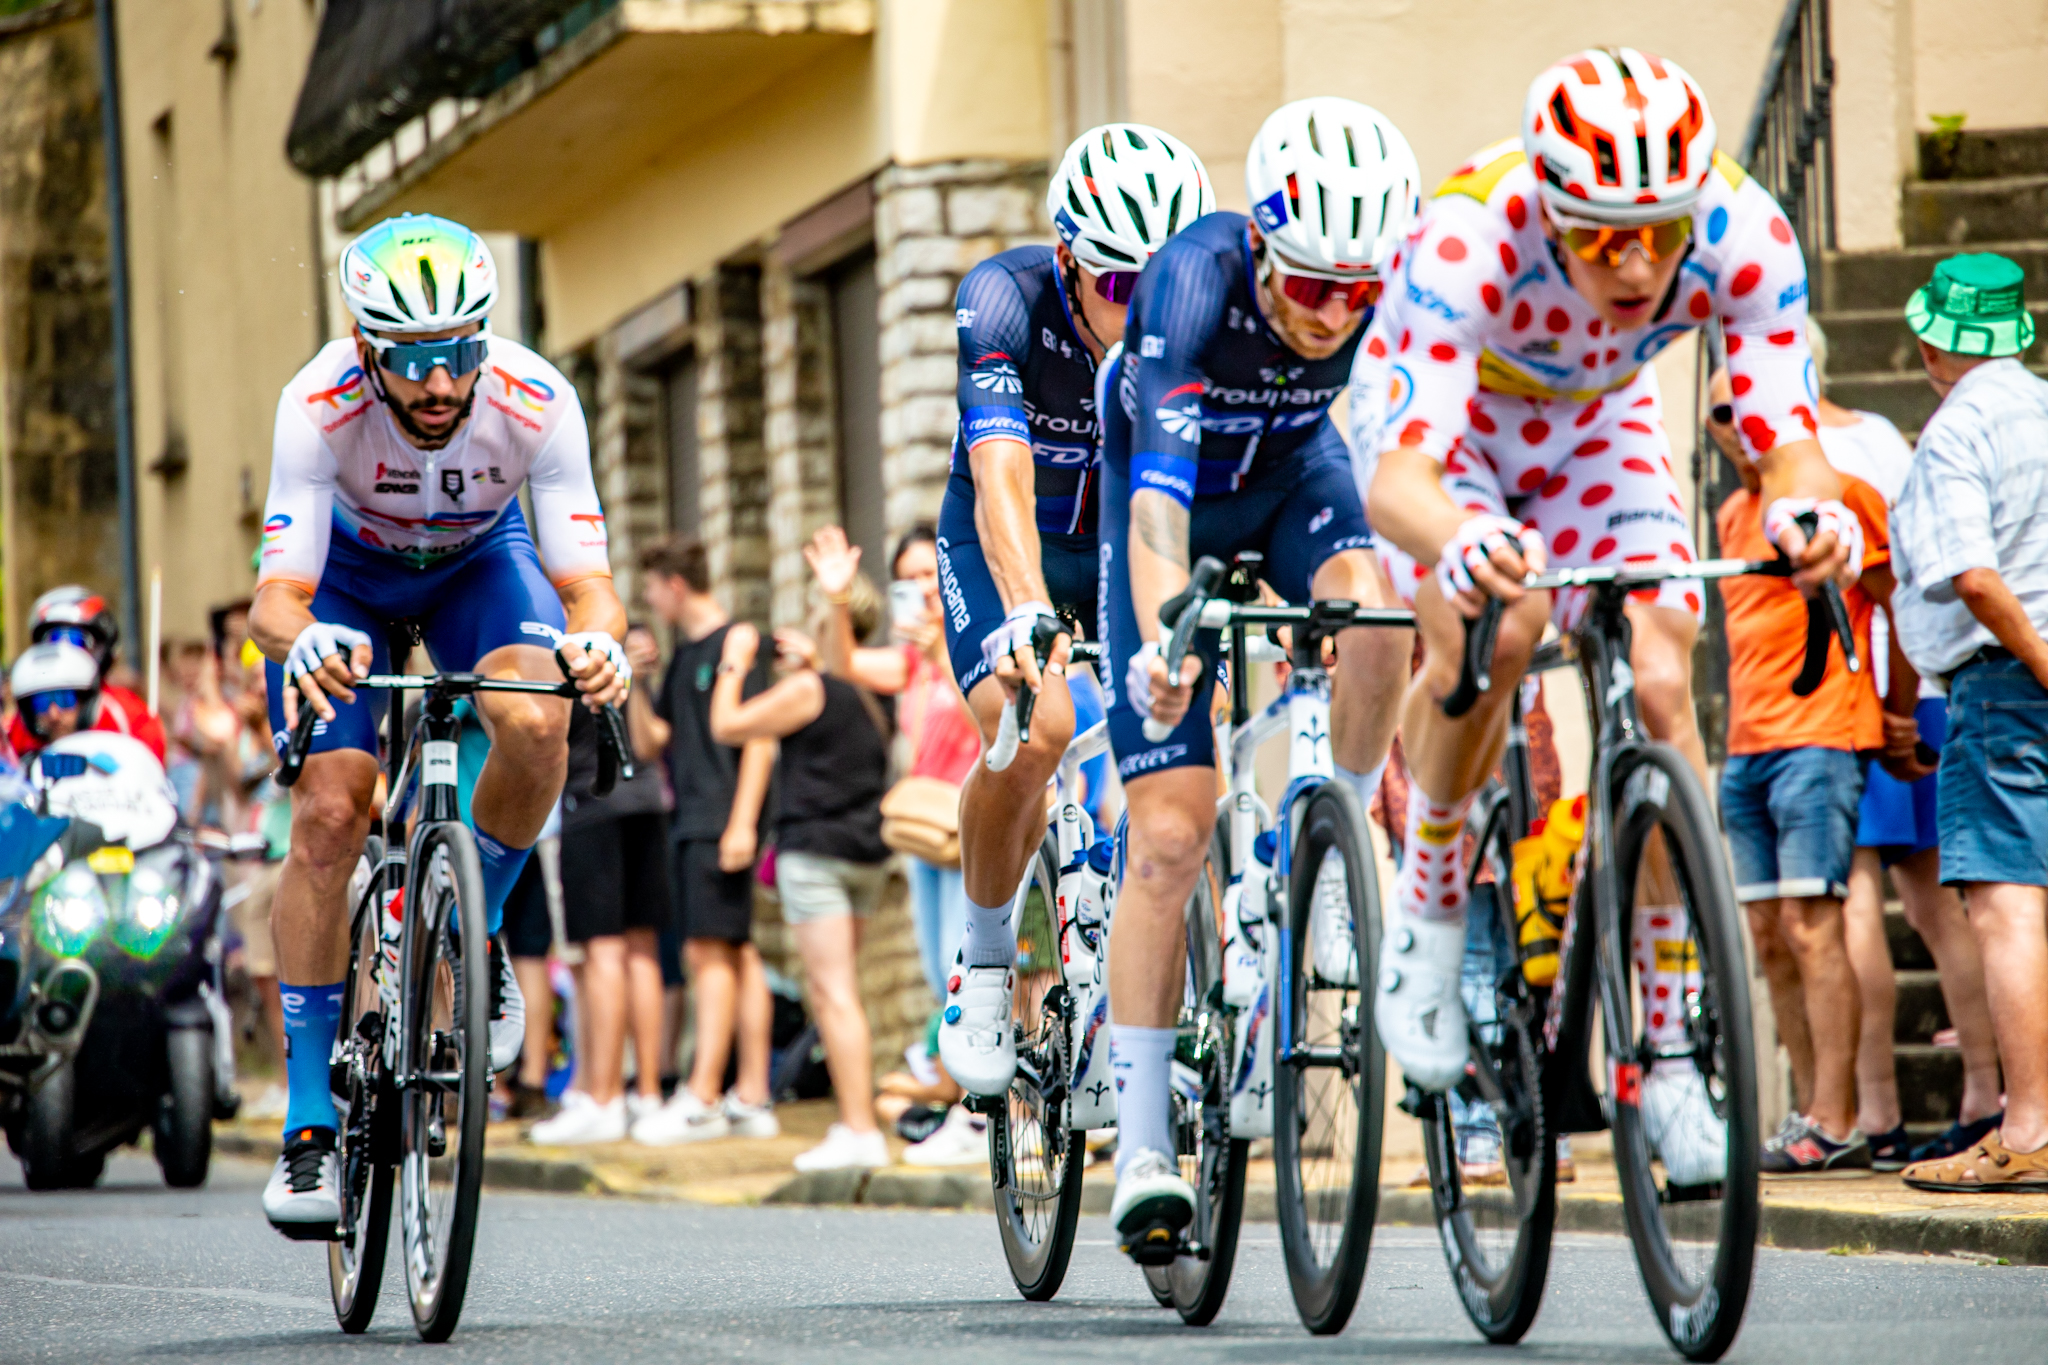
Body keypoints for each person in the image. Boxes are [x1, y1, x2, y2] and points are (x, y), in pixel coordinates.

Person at [1362, 51, 1856, 1192]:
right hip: (1453, 439)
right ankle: (1430, 915)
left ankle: (1674, 1048)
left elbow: (1785, 430)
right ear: (1545, 206)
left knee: (1666, 668)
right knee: (1497, 624)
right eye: (1596, 238)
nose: (1634, 264)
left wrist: (1806, 511)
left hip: (1597, 428)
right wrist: (1463, 546)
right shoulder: (1464, 239)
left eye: (1660, 233)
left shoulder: (1741, 228)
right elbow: (1399, 483)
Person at [250, 214, 628, 1236]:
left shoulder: (535, 397)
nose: (438, 386)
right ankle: (308, 1124)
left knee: (539, 718)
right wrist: (307, 642)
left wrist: (596, 644)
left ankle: (477, 922)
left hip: (477, 565)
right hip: (348, 585)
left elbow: (588, 586)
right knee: (332, 809)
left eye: (457, 353)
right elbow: (273, 603)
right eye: (411, 361)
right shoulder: (316, 406)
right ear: (367, 349)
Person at [1101, 96, 1419, 1256]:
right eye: (1309, 287)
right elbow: (1152, 510)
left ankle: (1337, 837)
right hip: (1169, 500)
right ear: (1261, 250)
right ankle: (1141, 1139)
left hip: (1292, 481)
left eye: (1357, 291)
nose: (1333, 315)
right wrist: (1157, 652)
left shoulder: (1383, 297)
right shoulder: (1190, 284)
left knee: (1379, 614)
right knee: (1171, 838)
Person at [930, 123, 1215, 1100]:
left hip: (1127, 546)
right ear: (1067, 260)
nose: (1148, 312)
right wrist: (1023, 608)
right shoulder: (1002, 297)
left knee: (1180, 793)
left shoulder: (1203, 310)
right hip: (1011, 537)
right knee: (1039, 725)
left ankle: (1156, 1039)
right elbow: (998, 466)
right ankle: (985, 962)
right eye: (1120, 288)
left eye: (1164, 284)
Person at [1795, 322, 2003, 1169]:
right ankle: (1989, 1092)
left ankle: (1876, 1109)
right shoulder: (1881, 438)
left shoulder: (1803, 464)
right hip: (1924, 682)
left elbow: (1875, 579)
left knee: (1856, 906)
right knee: (1938, 903)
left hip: (1861, 692)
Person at [1708, 364, 1896, 1176]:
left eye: (1739, 407)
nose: (1728, 423)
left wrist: (1897, 708)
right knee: (1768, 934)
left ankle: (1839, 1115)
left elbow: (1893, 597)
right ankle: (1807, 1111)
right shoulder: (1726, 514)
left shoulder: (1842, 493)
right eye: (1717, 411)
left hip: (1820, 736)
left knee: (1815, 925)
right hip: (1746, 746)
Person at [1890, 254, 2048, 1192]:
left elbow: (1974, 577)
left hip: (2005, 680)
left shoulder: (1959, 429)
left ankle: (2027, 1127)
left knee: (2007, 903)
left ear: (1932, 338)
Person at [710, 595, 893, 1172]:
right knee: (843, 995)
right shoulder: (879, 690)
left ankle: (859, 1128)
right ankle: (853, 1121)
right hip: (866, 855)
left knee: (832, 995)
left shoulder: (809, 689)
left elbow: (727, 725)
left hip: (815, 855)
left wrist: (734, 661)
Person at [627, 537, 781, 1145]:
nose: (648, 600)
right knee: (736, 953)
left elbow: (762, 739)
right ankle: (753, 1095)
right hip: (690, 817)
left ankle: (704, 1095)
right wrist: (636, 685)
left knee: (708, 953)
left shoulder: (739, 642)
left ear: (673, 583)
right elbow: (651, 742)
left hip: (720, 820)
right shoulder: (685, 652)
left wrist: (743, 822)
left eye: (651, 587)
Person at [806, 524, 980, 1002]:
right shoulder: (913, 661)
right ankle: (956, 1075)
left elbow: (988, 725)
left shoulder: (977, 642)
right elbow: (846, 666)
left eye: (930, 573)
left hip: (973, 820)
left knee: (960, 962)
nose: (923, 588)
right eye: (908, 580)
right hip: (928, 824)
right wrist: (837, 598)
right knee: (934, 968)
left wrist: (942, 655)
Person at [528, 624, 675, 1144]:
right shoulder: (620, 641)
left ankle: (603, 1096)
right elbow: (652, 741)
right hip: (645, 802)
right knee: (641, 949)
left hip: (591, 805)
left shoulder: (552, 644)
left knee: (602, 953)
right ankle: (647, 1093)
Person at [10, 586, 167, 763]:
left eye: (76, 640)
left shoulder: (127, 713)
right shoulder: (26, 717)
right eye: (53, 639)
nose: (65, 649)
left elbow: (151, 770)